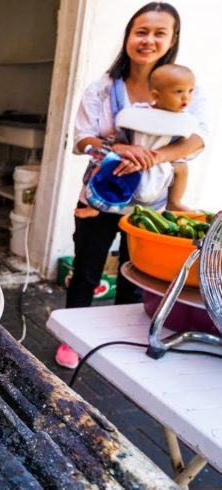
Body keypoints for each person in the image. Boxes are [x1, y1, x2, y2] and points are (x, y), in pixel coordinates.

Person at [57, 2, 209, 369]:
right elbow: (81, 140)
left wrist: (152, 157)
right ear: (128, 36)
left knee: (137, 273)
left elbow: (198, 138)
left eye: (160, 33)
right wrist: (120, 147)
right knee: (88, 267)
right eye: (141, 31)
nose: (148, 40)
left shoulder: (185, 88)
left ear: (172, 39)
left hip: (150, 203)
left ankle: (123, 340)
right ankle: (71, 339)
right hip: (102, 194)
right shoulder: (104, 89)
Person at [75, 63, 198, 219]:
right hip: (128, 155)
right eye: (179, 92)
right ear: (156, 96)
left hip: (162, 159)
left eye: (190, 91)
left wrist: (162, 157)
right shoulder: (137, 112)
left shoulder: (185, 120)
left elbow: (185, 145)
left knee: (182, 167)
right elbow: (120, 135)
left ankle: (174, 201)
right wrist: (118, 149)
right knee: (102, 166)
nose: (186, 97)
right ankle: (93, 204)